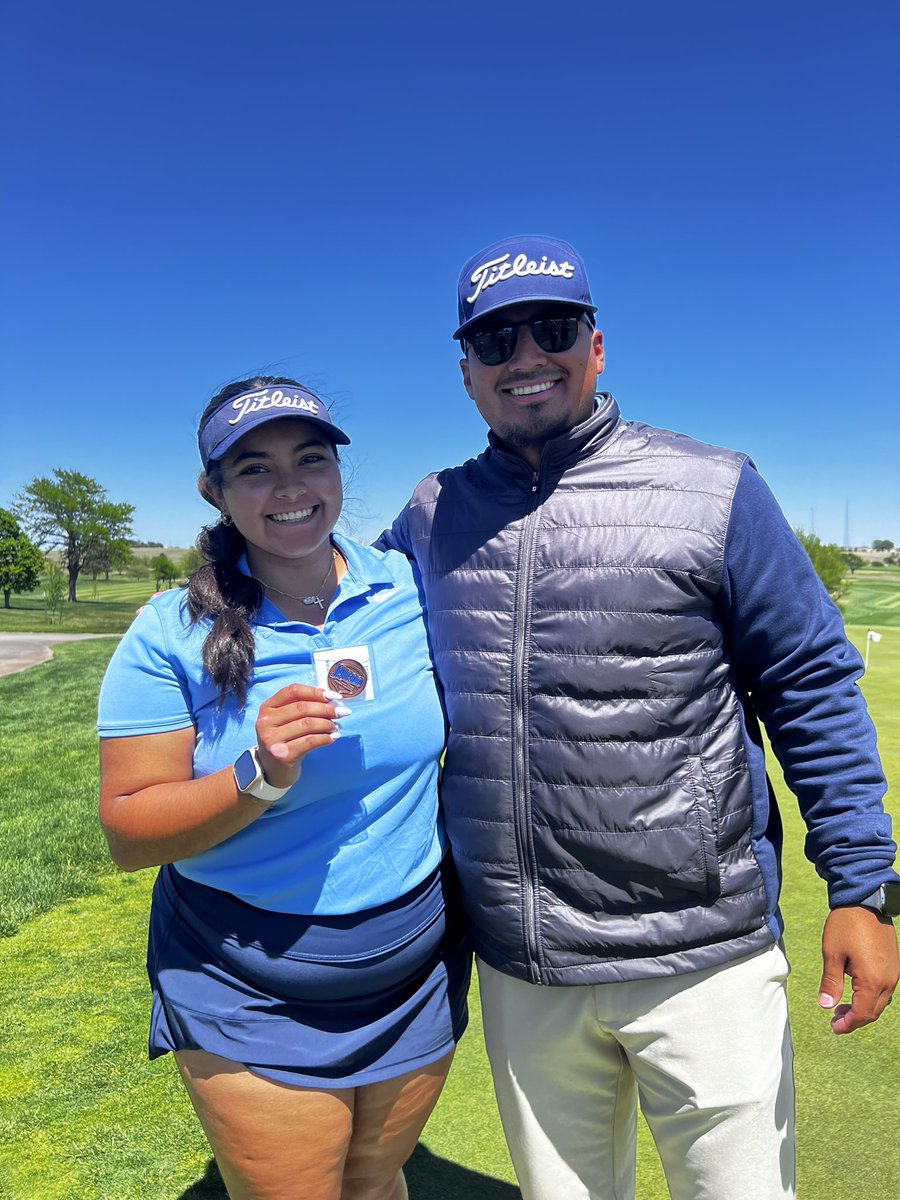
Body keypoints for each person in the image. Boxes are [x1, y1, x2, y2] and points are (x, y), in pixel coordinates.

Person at [378, 235, 900, 1200]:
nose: (525, 354)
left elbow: (811, 682)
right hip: (525, 960)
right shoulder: (429, 512)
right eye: (495, 340)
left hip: (700, 956)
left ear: (597, 344)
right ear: (466, 373)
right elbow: (334, 616)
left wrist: (862, 888)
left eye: (553, 327)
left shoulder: (713, 488)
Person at [97, 376, 470, 1200]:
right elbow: (128, 833)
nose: (292, 487)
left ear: (338, 472)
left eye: (310, 458)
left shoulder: (409, 589)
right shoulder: (172, 629)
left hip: (411, 966)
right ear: (216, 492)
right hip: (247, 977)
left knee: (375, 1183)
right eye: (255, 468)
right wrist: (256, 777)